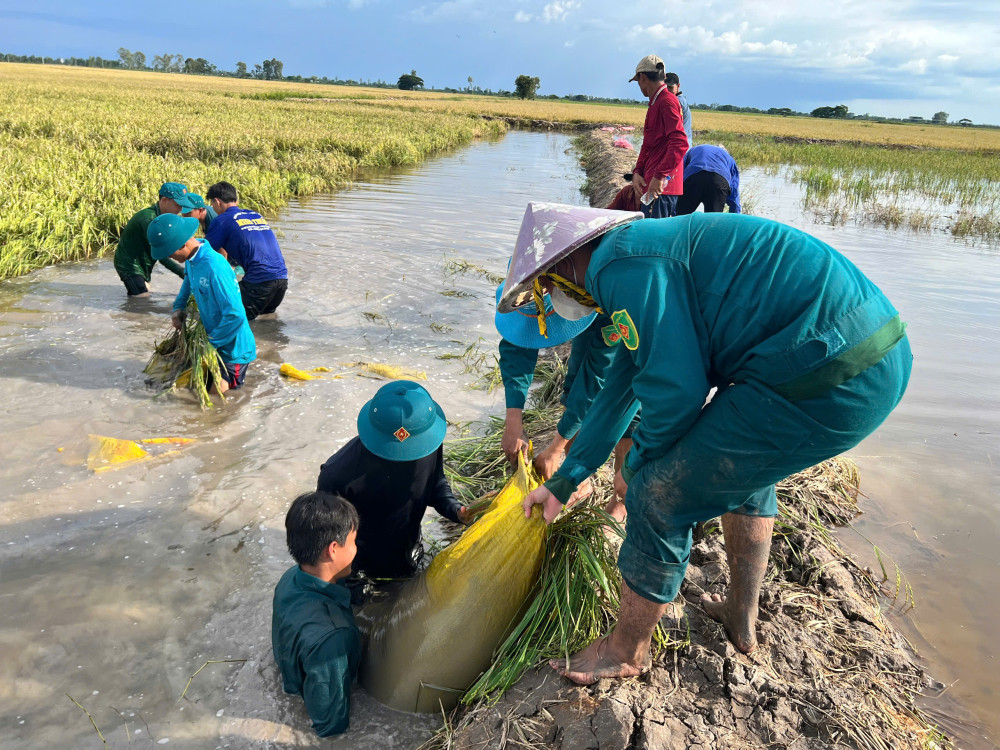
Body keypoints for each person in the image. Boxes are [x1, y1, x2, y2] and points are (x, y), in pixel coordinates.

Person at [497, 203, 911, 685]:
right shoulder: (633, 252)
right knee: (742, 473)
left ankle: (625, 651)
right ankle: (740, 615)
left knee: (658, 493)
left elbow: (677, 392)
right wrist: (568, 479)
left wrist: (638, 468)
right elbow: (625, 384)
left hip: (830, 369)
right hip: (867, 353)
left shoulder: (617, 267)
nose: (551, 298)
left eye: (546, 287)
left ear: (566, 262)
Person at [316, 381, 471, 598]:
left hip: (409, 553)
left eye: (413, 449)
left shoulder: (426, 445)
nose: (406, 458)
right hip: (359, 571)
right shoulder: (337, 475)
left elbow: (435, 485)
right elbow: (328, 543)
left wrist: (457, 511)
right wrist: (352, 586)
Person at [272, 491, 361, 737]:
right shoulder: (333, 638)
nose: (356, 549)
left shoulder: (290, 577)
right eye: (353, 542)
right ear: (333, 550)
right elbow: (330, 724)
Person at [147, 213, 256, 395]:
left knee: (219, 399)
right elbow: (188, 282)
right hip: (216, 341)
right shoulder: (192, 260)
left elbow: (235, 314)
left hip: (233, 349)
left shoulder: (214, 267)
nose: (170, 257)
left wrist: (211, 343)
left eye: (170, 253)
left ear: (183, 244)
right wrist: (178, 308)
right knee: (197, 388)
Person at [204, 181, 289, 321]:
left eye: (212, 204)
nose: (213, 208)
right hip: (282, 280)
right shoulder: (256, 215)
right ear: (235, 199)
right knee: (266, 323)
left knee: (230, 320)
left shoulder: (222, 220)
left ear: (217, 202)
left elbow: (204, 254)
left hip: (259, 283)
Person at [628, 55, 688, 219]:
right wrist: (637, 172)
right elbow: (648, 144)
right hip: (652, 184)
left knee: (654, 234)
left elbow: (680, 142)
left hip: (661, 188)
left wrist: (659, 176)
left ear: (643, 77)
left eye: (638, 81)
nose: (639, 86)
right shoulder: (656, 102)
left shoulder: (666, 102)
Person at [114, 182, 197, 297]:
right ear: (164, 200)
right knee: (141, 299)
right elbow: (163, 254)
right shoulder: (149, 220)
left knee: (143, 294)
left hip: (144, 261)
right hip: (129, 264)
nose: (180, 209)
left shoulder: (165, 219)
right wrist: (182, 273)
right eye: (178, 205)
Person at [675, 144, 741, 216]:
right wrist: (735, 214)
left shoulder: (694, 149)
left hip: (693, 177)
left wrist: (673, 211)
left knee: (682, 217)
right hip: (718, 181)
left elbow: (679, 172)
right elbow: (734, 190)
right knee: (712, 220)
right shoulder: (729, 158)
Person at [665, 72, 692, 148]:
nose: (668, 91)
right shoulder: (681, 99)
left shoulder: (676, 101)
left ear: (678, 86)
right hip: (684, 141)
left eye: (670, 88)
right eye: (666, 88)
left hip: (680, 143)